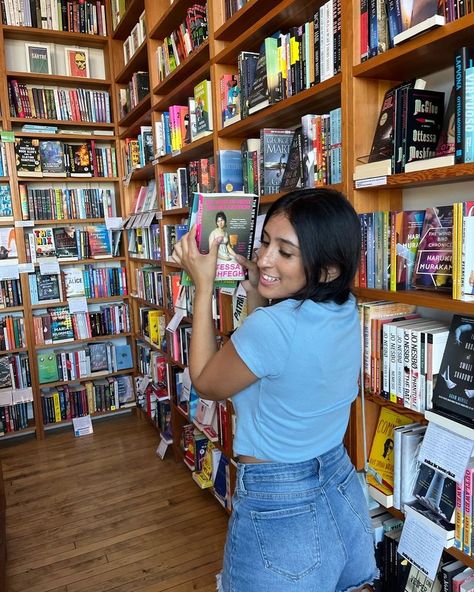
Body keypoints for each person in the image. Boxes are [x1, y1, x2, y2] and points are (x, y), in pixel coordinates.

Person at [171, 188, 378, 592]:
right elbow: (271, 365)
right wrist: (254, 292)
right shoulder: (345, 308)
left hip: (280, 504)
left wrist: (202, 287)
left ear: (328, 269)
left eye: (285, 252)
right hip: (339, 488)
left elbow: (206, 382)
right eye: (265, 241)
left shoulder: (273, 328)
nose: (264, 258)